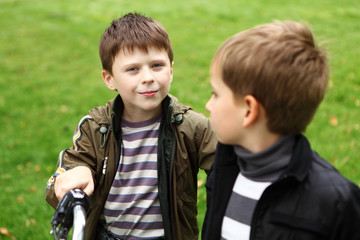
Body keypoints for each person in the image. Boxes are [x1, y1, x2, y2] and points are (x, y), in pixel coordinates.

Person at [45, 12, 217, 240]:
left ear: (171, 70)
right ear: (109, 79)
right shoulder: (96, 127)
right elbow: (68, 170)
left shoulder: (191, 127)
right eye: (133, 69)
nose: (148, 77)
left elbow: (229, 166)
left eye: (157, 65)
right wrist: (73, 176)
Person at [202, 20, 360, 240]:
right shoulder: (226, 165)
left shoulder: (335, 201)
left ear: (249, 110)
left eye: (215, 94)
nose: (209, 105)